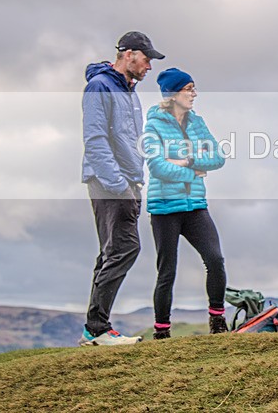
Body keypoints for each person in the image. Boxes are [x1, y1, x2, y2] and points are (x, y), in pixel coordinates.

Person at [80, 31, 165, 346]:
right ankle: (97, 329)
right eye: (146, 59)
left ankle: (94, 330)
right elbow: (95, 139)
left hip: (128, 180)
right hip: (110, 182)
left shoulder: (128, 92)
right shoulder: (100, 86)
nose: (149, 66)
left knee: (111, 251)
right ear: (128, 54)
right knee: (125, 248)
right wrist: (118, 184)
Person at [143, 68, 228, 339]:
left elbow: (218, 157)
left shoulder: (197, 123)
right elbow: (158, 167)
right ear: (172, 94)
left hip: (195, 206)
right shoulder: (153, 125)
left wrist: (188, 161)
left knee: (215, 259)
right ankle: (162, 331)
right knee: (167, 271)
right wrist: (194, 172)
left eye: (194, 88)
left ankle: (217, 321)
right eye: (188, 89)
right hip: (165, 208)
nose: (194, 94)